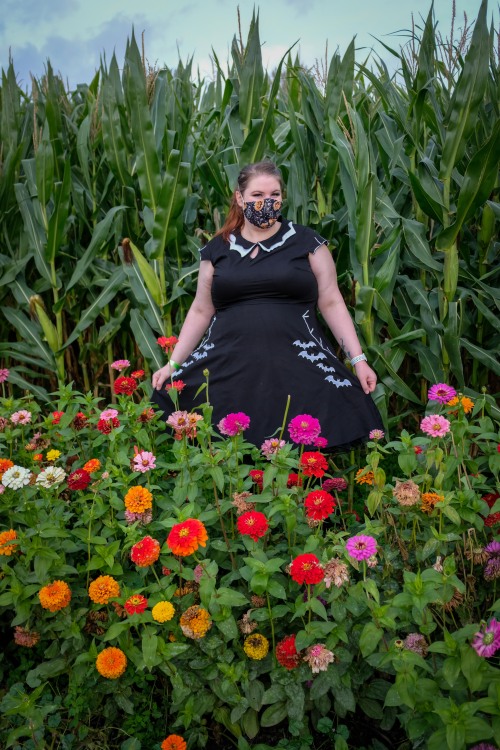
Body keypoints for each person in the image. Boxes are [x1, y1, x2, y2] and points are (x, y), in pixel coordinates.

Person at [151, 160, 383, 448]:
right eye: (257, 196)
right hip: (228, 367)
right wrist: (172, 364)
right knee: (183, 406)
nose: (267, 202)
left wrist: (359, 360)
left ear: (282, 198)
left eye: (274, 195)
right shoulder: (218, 249)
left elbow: (332, 302)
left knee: (333, 414)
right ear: (240, 198)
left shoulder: (308, 244)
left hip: (298, 365)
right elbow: (201, 309)